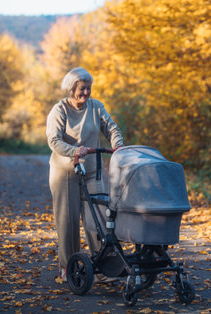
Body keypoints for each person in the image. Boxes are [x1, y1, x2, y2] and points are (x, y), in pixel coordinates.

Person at [46, 67, 123, 282]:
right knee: (68, 221)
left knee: (99, 217)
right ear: (71, 89)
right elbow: (54, 140)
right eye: (82, 88)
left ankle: (102, 267)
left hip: (91, 170)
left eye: (89, 88)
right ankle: (68, 268)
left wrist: (118, 146)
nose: (86, 93)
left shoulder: (96, 107)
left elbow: (112, 128)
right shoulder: (59, 110)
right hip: (65, 172)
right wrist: (74, 151)